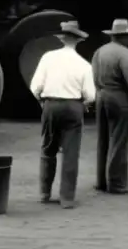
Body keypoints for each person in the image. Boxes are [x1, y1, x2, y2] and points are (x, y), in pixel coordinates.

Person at [29, 21, 96, 208]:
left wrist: (44, 103)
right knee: (70, 153)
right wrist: (82, 105)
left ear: (61, 39)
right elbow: (91, 96)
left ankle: (44, 193)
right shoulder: (84, 65)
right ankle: (67, 198)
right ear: (77, 41)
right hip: (73, 106)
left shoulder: (48, 58)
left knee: (47, 149)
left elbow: (35, 87)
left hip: (50, 104)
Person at [91, 18, 128, 194]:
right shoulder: (124, 54)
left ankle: (101, 181)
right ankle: (117, 182)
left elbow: (93, 76)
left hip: (101, 95)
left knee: (103, 139)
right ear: (125, 36)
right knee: (120, 140)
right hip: (119, 98)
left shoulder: (99, 52)